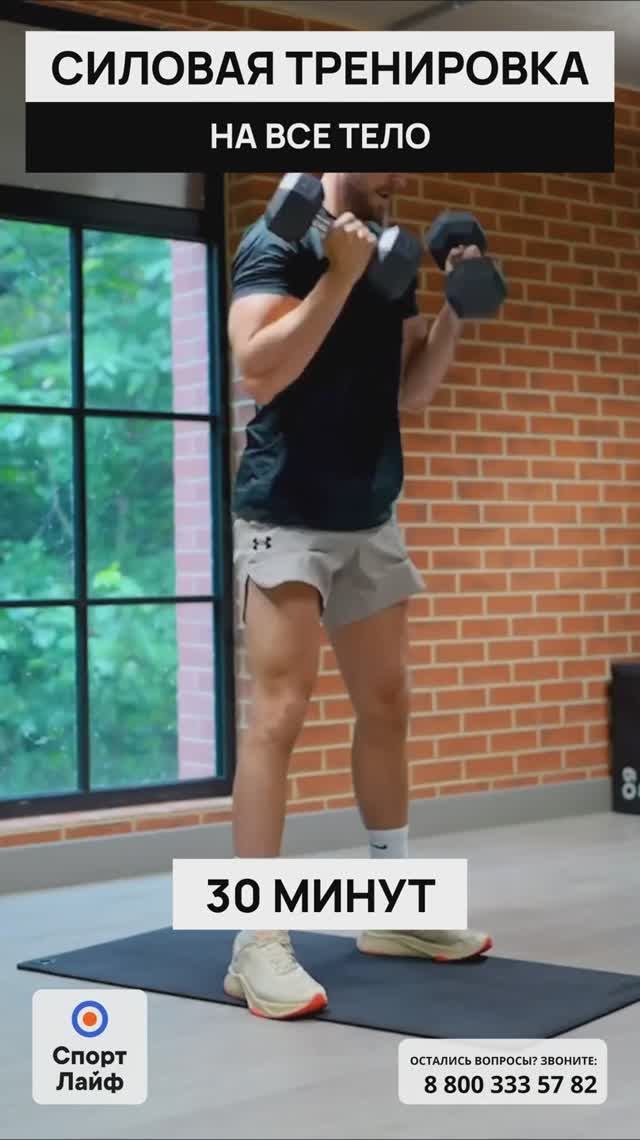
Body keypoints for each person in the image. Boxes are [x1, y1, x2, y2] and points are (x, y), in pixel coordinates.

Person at [224, 172, 492, 1020]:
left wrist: (454, 313)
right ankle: (255, 943)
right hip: (287, 512)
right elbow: (258, 370)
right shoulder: (277, 242)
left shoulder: (393, 255)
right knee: (278, 712)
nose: (397, 177)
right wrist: (337, 276)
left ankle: (394, 910)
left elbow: (408, 389)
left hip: (368, 510)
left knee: (387, 700)